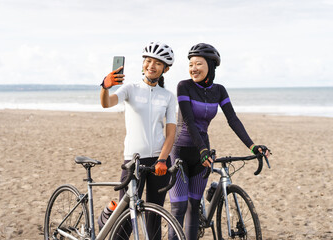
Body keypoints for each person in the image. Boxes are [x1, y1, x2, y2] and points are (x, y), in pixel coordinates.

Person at [169, 43, 269, 239]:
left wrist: (252, 146)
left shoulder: (220, 91)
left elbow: (233, 120)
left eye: (198, 63)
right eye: (190, 64)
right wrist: (202, 149)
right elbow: (188, 121)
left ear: (211, 66)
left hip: (202, 156)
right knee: (179, 207)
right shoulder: (184, 86)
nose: (193, 68)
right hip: (180, 152)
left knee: (194, 207)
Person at [100, 41, 177, 237]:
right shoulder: (130, 89)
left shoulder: (168, 96)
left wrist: (162, 159)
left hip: (159, 162)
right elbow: (107, 103)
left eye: (157, 63)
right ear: (143, 64)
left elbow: (170, 133)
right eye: (148, 61)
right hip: (133, 160)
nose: (151, 66)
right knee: (126, 215)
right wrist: (105, 87)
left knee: (154, 216)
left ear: (165, 69)